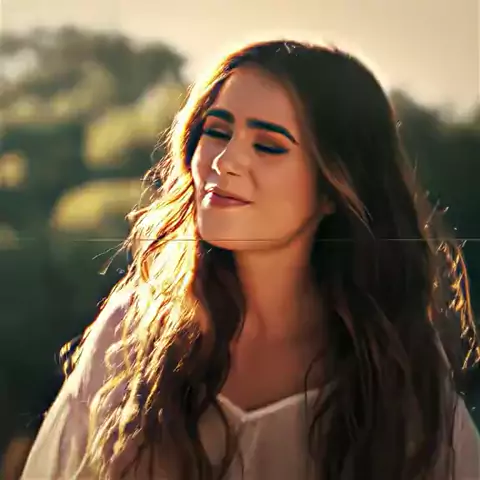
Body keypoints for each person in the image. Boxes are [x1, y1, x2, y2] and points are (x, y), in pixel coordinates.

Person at [21, 39, 480, 480]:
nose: (225, 161)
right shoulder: (132, 336)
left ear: (333, 188)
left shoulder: (394, 366)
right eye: (216, 132)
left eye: (268, 146)